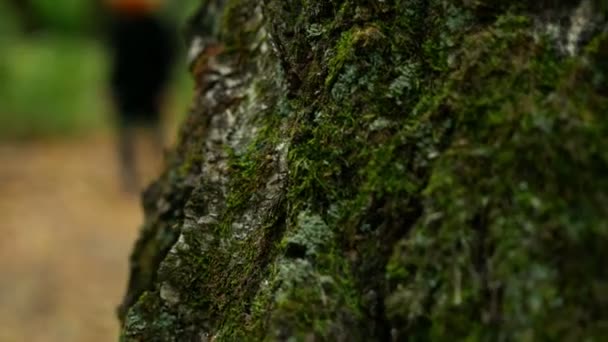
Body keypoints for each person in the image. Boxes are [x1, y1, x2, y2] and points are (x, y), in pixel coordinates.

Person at [104, 0, 176, 192]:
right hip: (127, 88)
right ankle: (129, 175)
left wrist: (163, 87)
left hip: (149, 87)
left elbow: (166, 59)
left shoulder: (157, 28)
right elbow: (117, 61)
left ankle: (166, 171)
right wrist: (113, 87)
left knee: (154, 132)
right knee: (127, 135)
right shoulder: (120, 27)